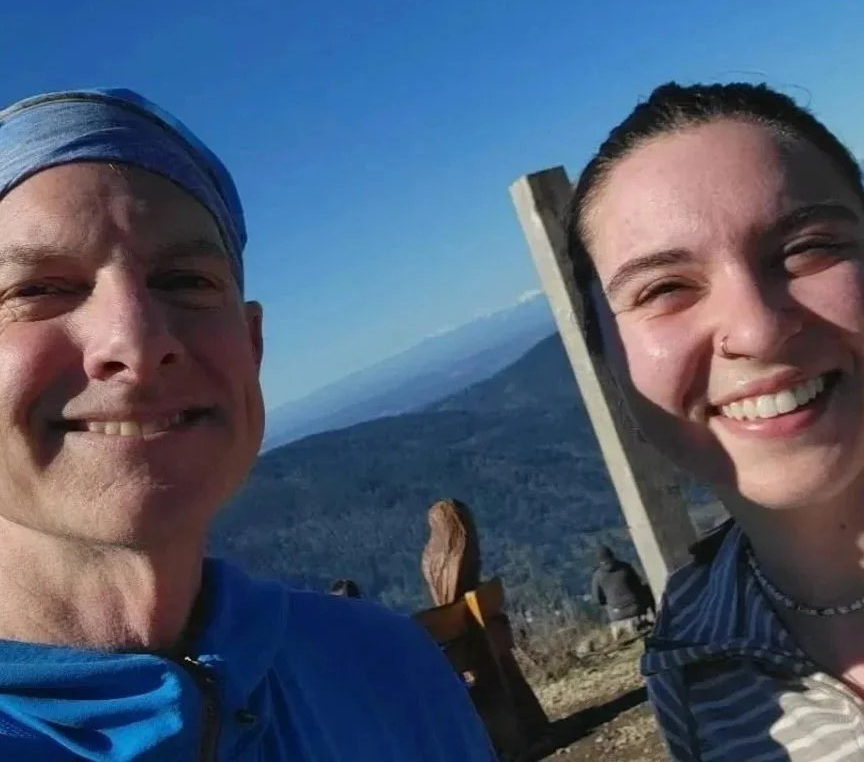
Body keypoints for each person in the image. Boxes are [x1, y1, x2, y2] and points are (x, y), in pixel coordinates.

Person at [0, 89, 495, 761]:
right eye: (36, 290)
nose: (137, 339)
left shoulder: (384, 667)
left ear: (252, 343)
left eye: (185, 280)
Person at [565, 81, 864, 760]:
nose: (756, 329)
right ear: (608, 360)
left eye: (808, 247)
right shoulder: (692, 661)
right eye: (665, 288)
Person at [590, 545, 653, 640]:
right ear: (612, 555)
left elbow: (598, 600)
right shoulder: (625, 567)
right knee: (647, 588)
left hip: (616, 615)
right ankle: (655, 618)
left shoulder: (597, 576)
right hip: (635, 610)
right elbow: (638, 587)